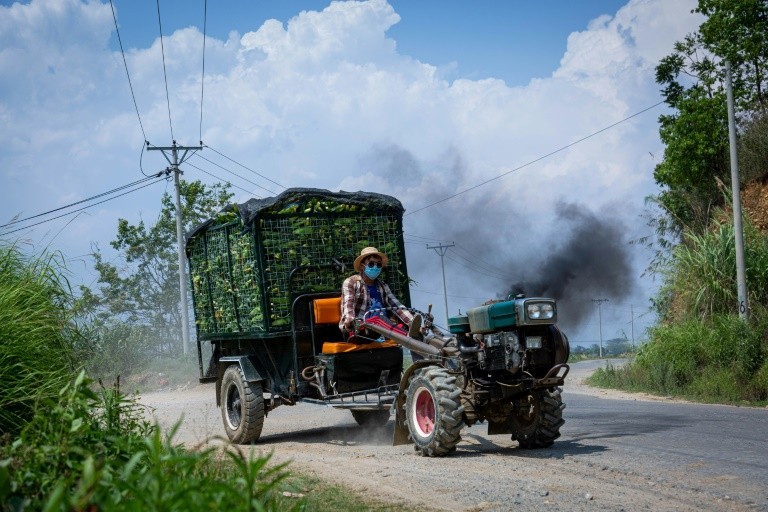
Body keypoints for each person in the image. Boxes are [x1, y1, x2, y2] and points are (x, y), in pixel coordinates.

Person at [339, 246, 415, 340]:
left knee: (406, 326)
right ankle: (406, 337)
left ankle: (415, 337)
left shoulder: (383, 286)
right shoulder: (352, 282)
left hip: (382, 328)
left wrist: (412, 322)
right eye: (371, 264)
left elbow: (397, 306)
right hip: (359, 329)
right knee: (378, 316)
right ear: (362, 266)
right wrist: (350, 320)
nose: (375, 267)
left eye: (378, 265)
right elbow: (348, 304)